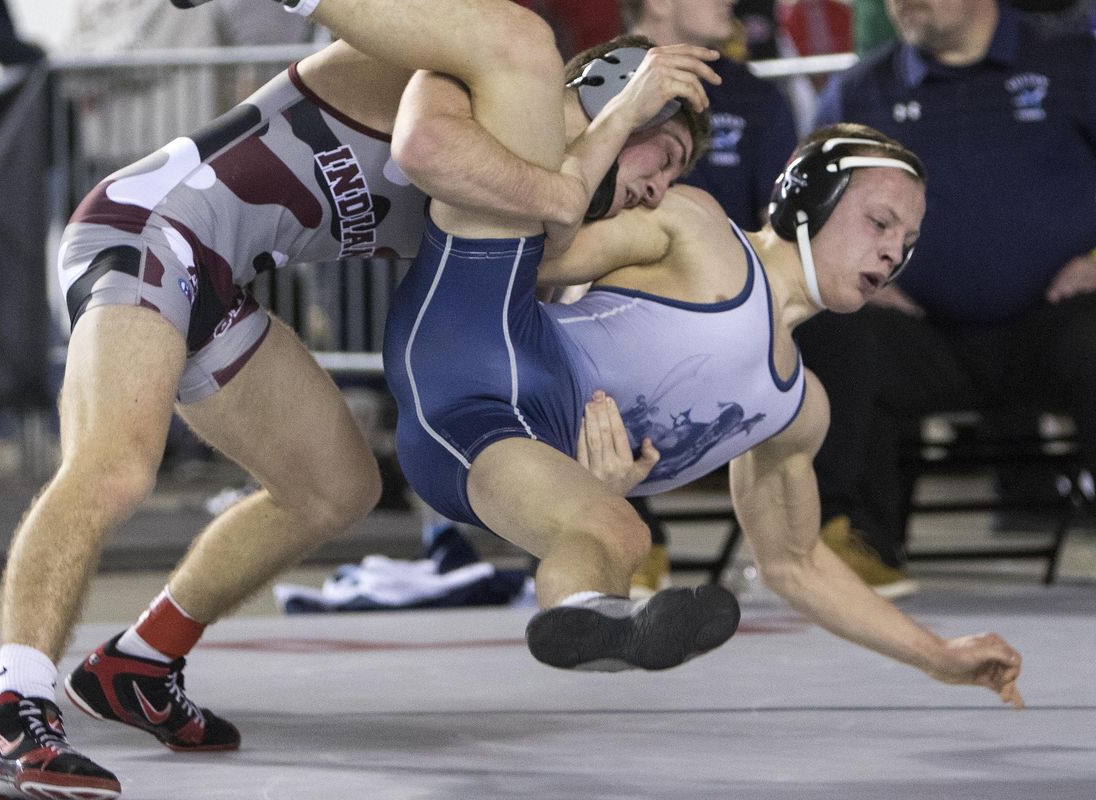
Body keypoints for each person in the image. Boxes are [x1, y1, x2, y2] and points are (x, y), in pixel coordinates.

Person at [0, 3, 721, 797]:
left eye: (674, 178)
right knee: (115, 468)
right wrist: (601, 144)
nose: (660, 187)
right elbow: (430, 148)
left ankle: (139, 662)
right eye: (663, 155)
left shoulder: (533, 188)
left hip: (218, 280)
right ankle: (16, 712)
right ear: (615, 93)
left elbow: (543, 267)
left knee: (337, 488)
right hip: (147, 230)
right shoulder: (473, 75)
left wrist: (589, 470)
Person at [386, 36, 1024, 702]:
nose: (893, 253)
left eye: (908, 243)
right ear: (807, 198)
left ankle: (592, 623)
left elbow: (794, 564)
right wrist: (615, 113)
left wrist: (935, 655)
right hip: (480, 350)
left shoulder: (798, 409)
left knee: (615, 529)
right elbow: (537, 249)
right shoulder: (696, 228)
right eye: (880, 222)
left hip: (500, 447)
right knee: (512, 169)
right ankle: (459, 57)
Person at [793, 0, 1096, 598]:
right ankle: (853, 543)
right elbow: (803, 216)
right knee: (836, 328)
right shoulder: (862, 91)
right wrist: (849, 274)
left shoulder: (1075, 64)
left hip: (1062, 323)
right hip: (923, 336)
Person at [618, 0, 799, 595]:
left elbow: (778, 230)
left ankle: (811, 541)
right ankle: (620, 533)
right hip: (608, 295)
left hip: (727, 306)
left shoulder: (756, 99)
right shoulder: (591, 82)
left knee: (842, 327)